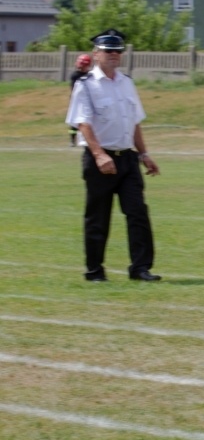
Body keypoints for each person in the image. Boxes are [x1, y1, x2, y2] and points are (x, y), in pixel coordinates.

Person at [65, 29, 162, 283]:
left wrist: (144, 154)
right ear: (96, 54)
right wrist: (99, 155)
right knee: (98, 217)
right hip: (101, 159)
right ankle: (95, 271)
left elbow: (135, 122)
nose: (114, 55)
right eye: (109, 51)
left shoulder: (126, 82)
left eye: (118, 51)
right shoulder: (85, 85)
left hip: (127, 158)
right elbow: (83, 123)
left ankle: (140, 268)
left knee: (138, 213)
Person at [68, 54, 92, 146]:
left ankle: (88, 139)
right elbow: (75, 89)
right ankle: (72, 140)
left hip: (87, 101)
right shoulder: (75, 75)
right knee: (75, 120)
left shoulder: (90, 75)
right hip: (77, 101)